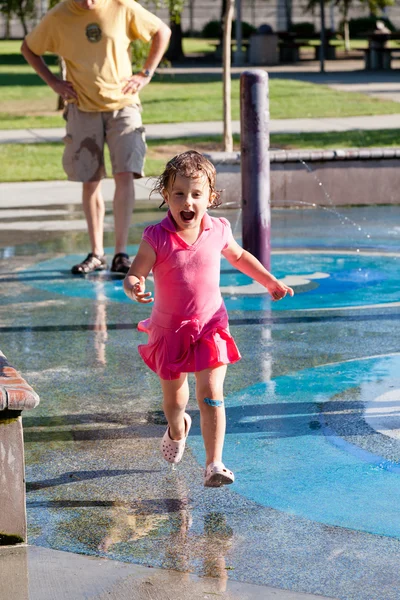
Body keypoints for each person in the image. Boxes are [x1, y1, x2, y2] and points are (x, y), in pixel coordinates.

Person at [123, 151, 294, 487]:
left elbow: (240, 256)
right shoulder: (155, 237)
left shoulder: (218, 229)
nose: (188, 201)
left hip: (211, 326)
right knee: (175, 401)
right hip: (170, 330)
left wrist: (269, 281)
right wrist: (134, 286)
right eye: (179, 194)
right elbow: (135, 273)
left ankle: (214, 463)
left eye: (196, 194)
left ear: (211, 199)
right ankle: (177, 428)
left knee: (211, 393)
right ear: (166, 197)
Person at [21, 0, 171, 275]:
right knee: (90, 181)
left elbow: (162, 31)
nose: (89, 2)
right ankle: (97, 253)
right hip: (81, 108)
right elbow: (28, 48)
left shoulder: (122, 6)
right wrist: (53, 82)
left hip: (123, 105)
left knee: (125, 174)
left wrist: (145, 73)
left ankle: (121, 253)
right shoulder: (59, 16)